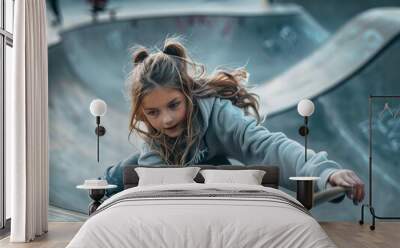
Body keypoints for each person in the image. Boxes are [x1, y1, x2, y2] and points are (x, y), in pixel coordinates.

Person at [103, 37, 365, 205]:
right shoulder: (153, 139)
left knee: (219, 170)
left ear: (188, 93)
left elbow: (265, 146)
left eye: (174, 105)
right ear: (142, 114)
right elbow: (158, 193)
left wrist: (323, 174)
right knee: (129, 171)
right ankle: (102, 194)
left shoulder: (219, 114)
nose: (167, 119)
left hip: (209, 168)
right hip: (159, 174)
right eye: (153, 113)